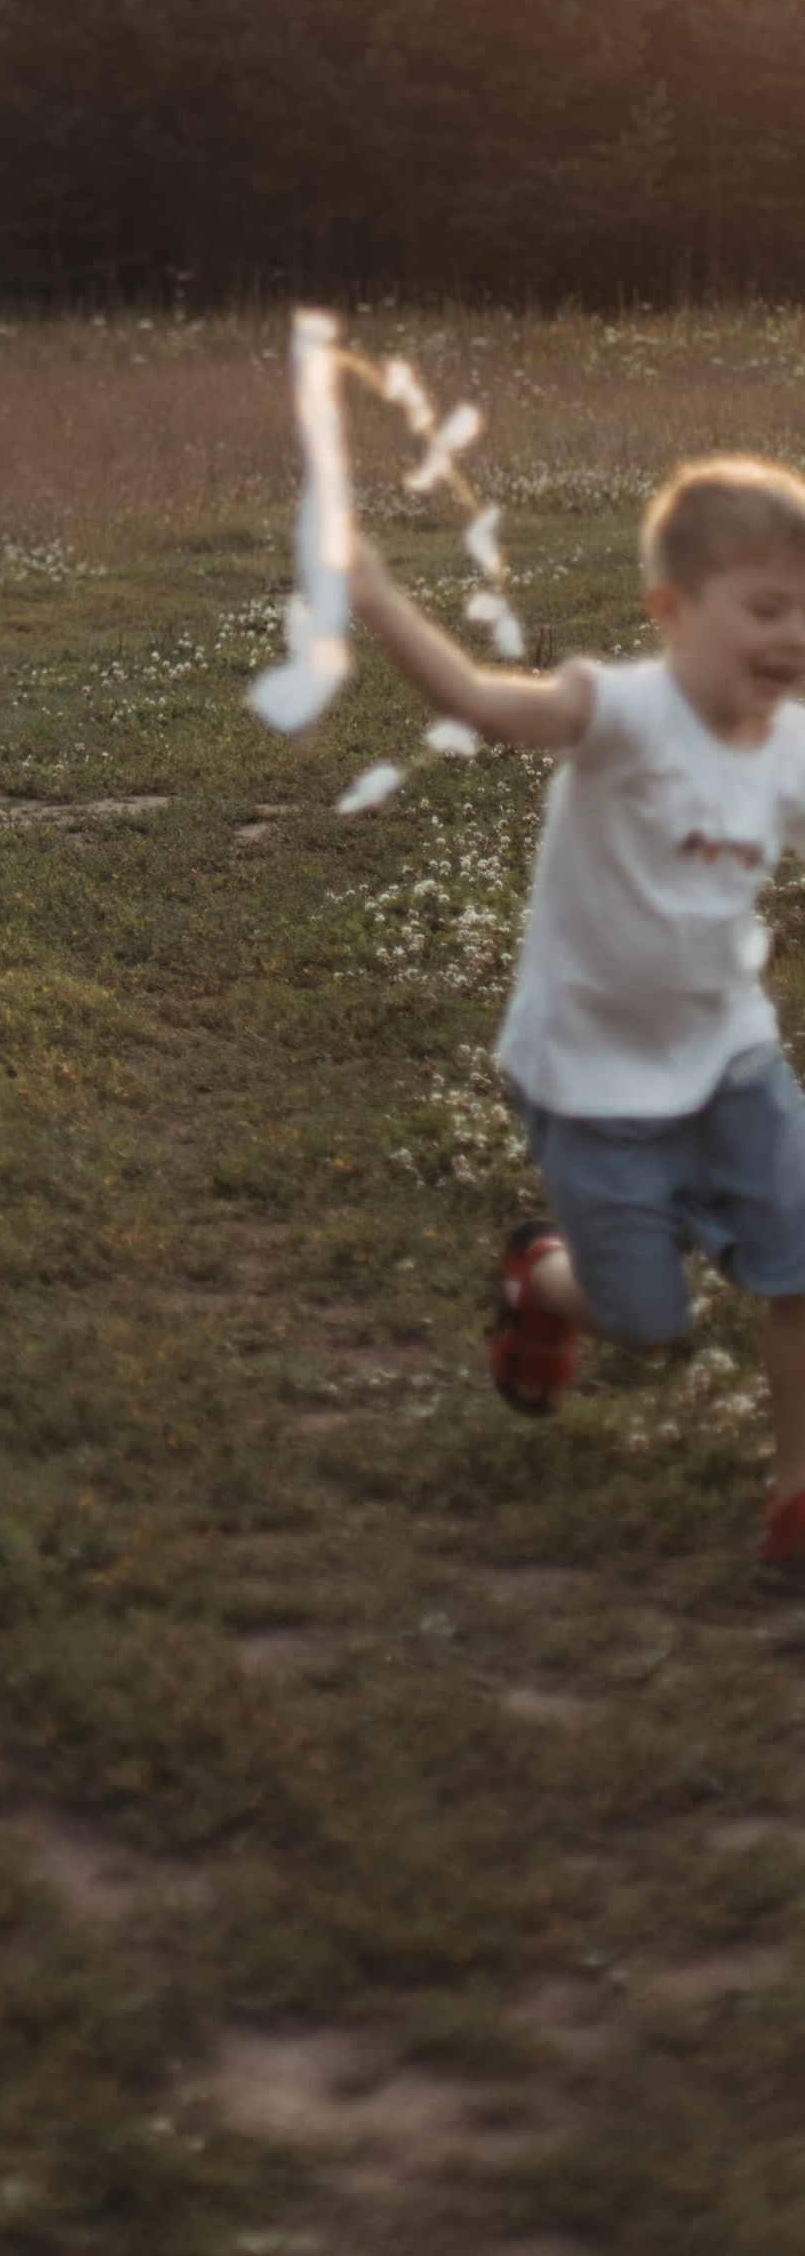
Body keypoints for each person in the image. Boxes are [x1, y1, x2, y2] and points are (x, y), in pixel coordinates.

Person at [350, 456, 805, 1584]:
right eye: (765, 608)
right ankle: (543, 1282)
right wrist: (371, 592)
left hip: (731, 1060)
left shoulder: (789, 738)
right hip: (591, 1080)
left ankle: (797, 1496)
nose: (791, 634)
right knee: (644, 1324)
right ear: (671, 612)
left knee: (798, 1270)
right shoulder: (623, 714)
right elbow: (476, 703)